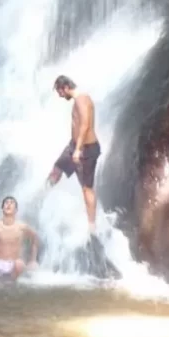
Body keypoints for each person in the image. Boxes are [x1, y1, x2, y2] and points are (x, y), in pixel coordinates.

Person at [48, 75, 101, 232]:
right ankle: (42, 197)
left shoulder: (82, 99)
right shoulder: (78, 101)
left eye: (59, 91)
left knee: (86, 188)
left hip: (86, 148)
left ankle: (92, 226)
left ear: (65, 87)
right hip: (74, 145)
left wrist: (78, 149)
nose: (59, 95)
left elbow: (85, 125)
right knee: (57, 169)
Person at [0, 196, 40, 280]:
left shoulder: (22, 227)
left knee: (19, 263)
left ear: (16, 210)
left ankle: (12, 286)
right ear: (2, 208)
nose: (8, 204)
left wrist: (33, 260)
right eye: (6, 203)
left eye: (11, 203)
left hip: (14, 264)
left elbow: (35, 238)